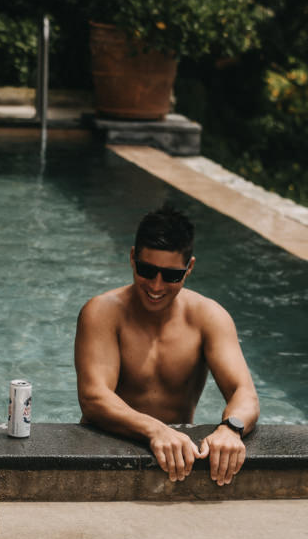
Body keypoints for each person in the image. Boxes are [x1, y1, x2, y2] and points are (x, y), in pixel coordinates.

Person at [75, 204, 260, 486]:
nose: (157, 286)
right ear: (133, 257)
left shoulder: (208, 317)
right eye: (147, 270)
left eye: (171, 275)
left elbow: (244, 392)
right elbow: (94, 398)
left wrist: (230, 429)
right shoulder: (102, 312)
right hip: (105, 449)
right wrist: (155, 430)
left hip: (176, 456)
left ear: (190, 268)